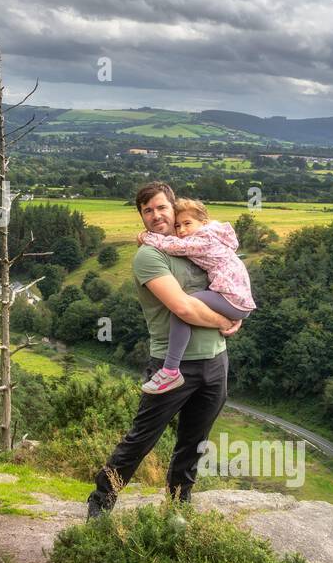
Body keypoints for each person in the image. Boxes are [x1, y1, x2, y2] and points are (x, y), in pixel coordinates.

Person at [86, 182, 235, 518]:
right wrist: (227, 319)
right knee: (141, 438)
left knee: (194, 442)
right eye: (147, 211)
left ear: (173, 207)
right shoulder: (149, 255)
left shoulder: (193, 245)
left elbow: (228, 279)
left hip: (216, 361)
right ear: (142, 216)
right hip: (173, 366)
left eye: (161, 208)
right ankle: (101, 501)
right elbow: (181, 308)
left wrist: (234, 312)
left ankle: (177, 506)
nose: (155, 216)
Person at [135, 197, 255, 394]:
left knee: (181, 310)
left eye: (187, 224)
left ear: (204, 223)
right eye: (178, 225)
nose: (181, 230)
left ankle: (171, 370)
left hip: (231, 299)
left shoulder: (203, 240)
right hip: (236, 300)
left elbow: (173, 246)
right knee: (184, 308)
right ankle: (172, 369)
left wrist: (146, 237)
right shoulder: (214, 234)